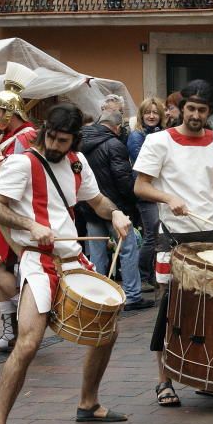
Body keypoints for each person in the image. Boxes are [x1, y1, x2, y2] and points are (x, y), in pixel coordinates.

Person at [0, 104, 132, 424]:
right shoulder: (22, 164)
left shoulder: (78, 162)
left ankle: (88, 402)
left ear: (74, 140)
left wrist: (116, 214)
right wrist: (29, 225)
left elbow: (96, 201)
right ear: (44, 129)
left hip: (73, 258)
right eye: (50, 136)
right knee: (29, 344)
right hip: (38, 261)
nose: (54, 144)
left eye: (62, 140)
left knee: (107, 327)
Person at [133, 79, 213, 407]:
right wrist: (168, 197)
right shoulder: (159, 142)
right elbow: (140, 186)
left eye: (202, 110)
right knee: (170, 310)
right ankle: (164, 381)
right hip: (174, 236)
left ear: (210, 112)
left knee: (212, 311)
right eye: (190, 108)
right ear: (180, 108)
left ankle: (205, 377)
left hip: (210, 236)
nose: (195, 115)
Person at [0, 66, 38, 354]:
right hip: (6, 209)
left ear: (11, 112)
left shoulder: (25, 136)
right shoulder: (17, 135)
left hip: (13, 211)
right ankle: (10, 333)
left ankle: (30, 320)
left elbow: (7, 172)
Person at [79, 108, 152, 310]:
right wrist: (131, 201)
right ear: (117, 127)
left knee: (97, 252)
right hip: (115, 208)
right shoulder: (114, 144)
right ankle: (132, 295)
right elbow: (123, 179)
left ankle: (98, 296)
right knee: (128, 249)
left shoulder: (80, 143)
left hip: (89, 205)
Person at [126, 97, 165, 290]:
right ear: (142, 115)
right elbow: (144, 164)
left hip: (158, 190)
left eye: (155, 112)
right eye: (148, 112)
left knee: (156, 234)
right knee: (151, 234)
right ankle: (143, 275)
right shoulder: (137, 136)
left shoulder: (159, 133)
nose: (151, 116)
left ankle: (150, 274)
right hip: (145, 192)